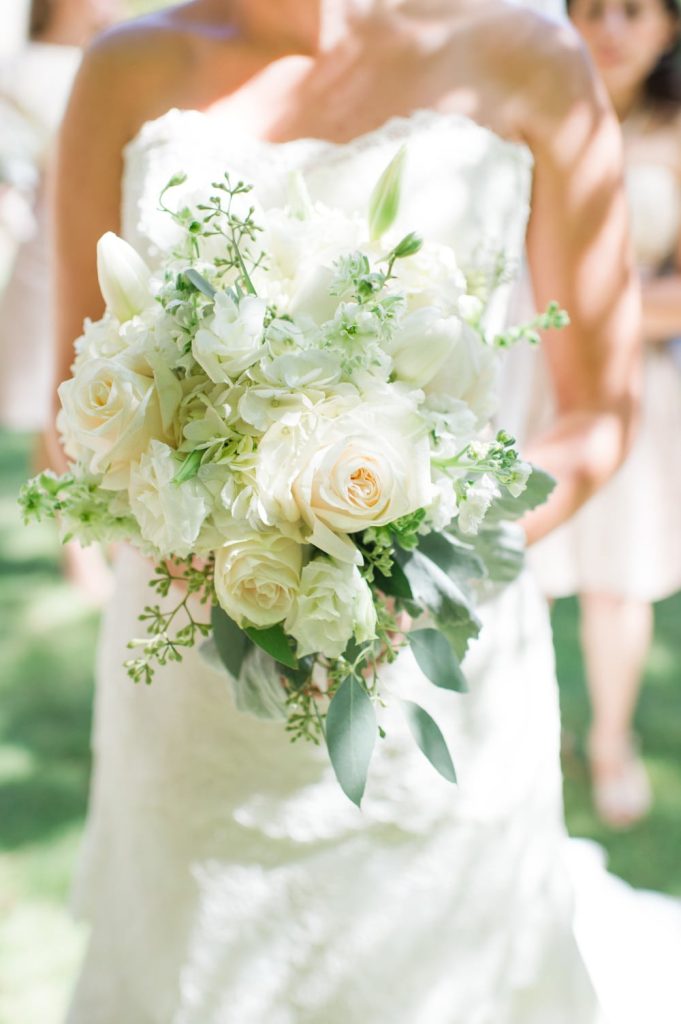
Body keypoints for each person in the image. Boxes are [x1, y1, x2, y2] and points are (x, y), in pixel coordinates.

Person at [53, 0, 643, 1020]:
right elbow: (73, 415)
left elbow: (599, 413)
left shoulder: (529, 59)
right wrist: (231, 530)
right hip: (194, 695)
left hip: (440, 676)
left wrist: (410, 556)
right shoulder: (127, 69)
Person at [528, 0, 681, 829]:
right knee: (520, 567)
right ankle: (531, 726)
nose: (610, 28)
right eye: (591, 9)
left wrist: (593, 308)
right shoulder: (535, 107)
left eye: (631, 10)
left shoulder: (674, 128)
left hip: (633, 383)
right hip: (531, 372)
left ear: (667, 25)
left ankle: (611, 740)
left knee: (617, 583)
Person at [0, 0, 120, 603]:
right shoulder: (40, 70)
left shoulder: (104, 60)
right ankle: (78, 548)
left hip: (88, 252)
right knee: (63, 409)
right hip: (47, 262)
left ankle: (75, 531)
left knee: (69, 412)